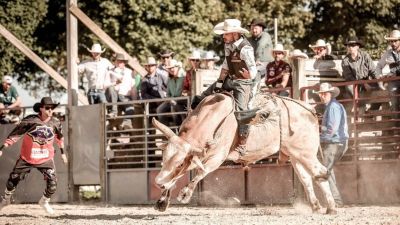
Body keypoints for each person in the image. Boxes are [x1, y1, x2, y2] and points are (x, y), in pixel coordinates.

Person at [191, 19, 257, 160]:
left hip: (243, 83)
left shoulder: (246, 48)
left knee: (242, 112)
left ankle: (241, 147)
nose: (223, 36)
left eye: (225, 34)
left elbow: (253, 70)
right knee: (203, 96)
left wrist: (248, 76)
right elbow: (226, 66)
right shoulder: (228, 46)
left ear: (234, 34)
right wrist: (220, 83)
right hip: (231, 80)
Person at [0, 97, 68, 214]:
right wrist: (2, 147)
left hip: (46, 158)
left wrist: (63, 153)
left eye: (52, 108)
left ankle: (44, 201)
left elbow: (59, 138)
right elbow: (15, 135)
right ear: (41, 108)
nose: (50, 110)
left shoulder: (55, 122)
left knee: (52, 183)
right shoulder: (30, 120)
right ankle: (6, 199)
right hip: (27, 157)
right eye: (47, 108)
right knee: (13, 180)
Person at [317, 82, 349, 207]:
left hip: (335, 142)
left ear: (330, 94)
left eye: (324, 94)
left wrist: (321, 138)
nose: (322, 96)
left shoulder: (333, 107)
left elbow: (333, 127)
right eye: (321, 94)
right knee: (327, 170)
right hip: (336, 142)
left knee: (325, 171)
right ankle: (335, 200)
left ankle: (336, 201)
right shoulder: (333, 106)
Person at [341, 36, 380, 113]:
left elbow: (373, 70)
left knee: (379, 88)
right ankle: (360, 105)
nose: (351, 47)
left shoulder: (365, 56)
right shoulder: (345, 61)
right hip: (355, 84)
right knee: (349, 86)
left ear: (358, 46)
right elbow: (349, 77)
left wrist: (379, 81)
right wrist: (363, 83)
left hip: (368, 81)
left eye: (353, 45)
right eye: (349, 46)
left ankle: (371, 109)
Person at [247, 18, 274, 109]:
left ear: (261, 28)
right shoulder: (249, 40)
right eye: (252, 28)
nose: (254, 30)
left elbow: (260, 46)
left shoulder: (265, 36)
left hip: (267, 64)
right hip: (254, 65)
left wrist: (257, 59)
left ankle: (253, 97)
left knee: (256, 72)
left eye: (256, 28)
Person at [376, 30, 400, 118]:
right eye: (391, 41)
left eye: (395, 41)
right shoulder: (388, 53)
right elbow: (378, 66)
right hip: (394, 81)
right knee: (394, 102)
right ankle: (396, 125)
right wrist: (380, 79)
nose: (393, 43)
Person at [107, 53, 135, 129]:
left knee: (130, 108)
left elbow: (132, 85)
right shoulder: (111, 71)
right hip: (114, 96)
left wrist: (134, 99)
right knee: (111, 89)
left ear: (124, 63)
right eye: (118, 61)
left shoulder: (129, 72)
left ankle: (127, 123)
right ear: (115, 62)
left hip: (125, 95)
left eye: (121, 61)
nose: (120, 63)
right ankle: (114, 112)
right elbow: (107, 83)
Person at [157, 59, 186, 126]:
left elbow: (183, 92)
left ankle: (178, 128)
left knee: (174, 108)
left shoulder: (183, 77)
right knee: (159, 109)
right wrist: (170, 99)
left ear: (177, 67)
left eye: (173, 67)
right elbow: (168, 93)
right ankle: (166, 129)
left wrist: (174, 99)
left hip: (181, 101)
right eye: (170, 68)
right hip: (171, 100)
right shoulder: (170, 79)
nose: (171, 70)